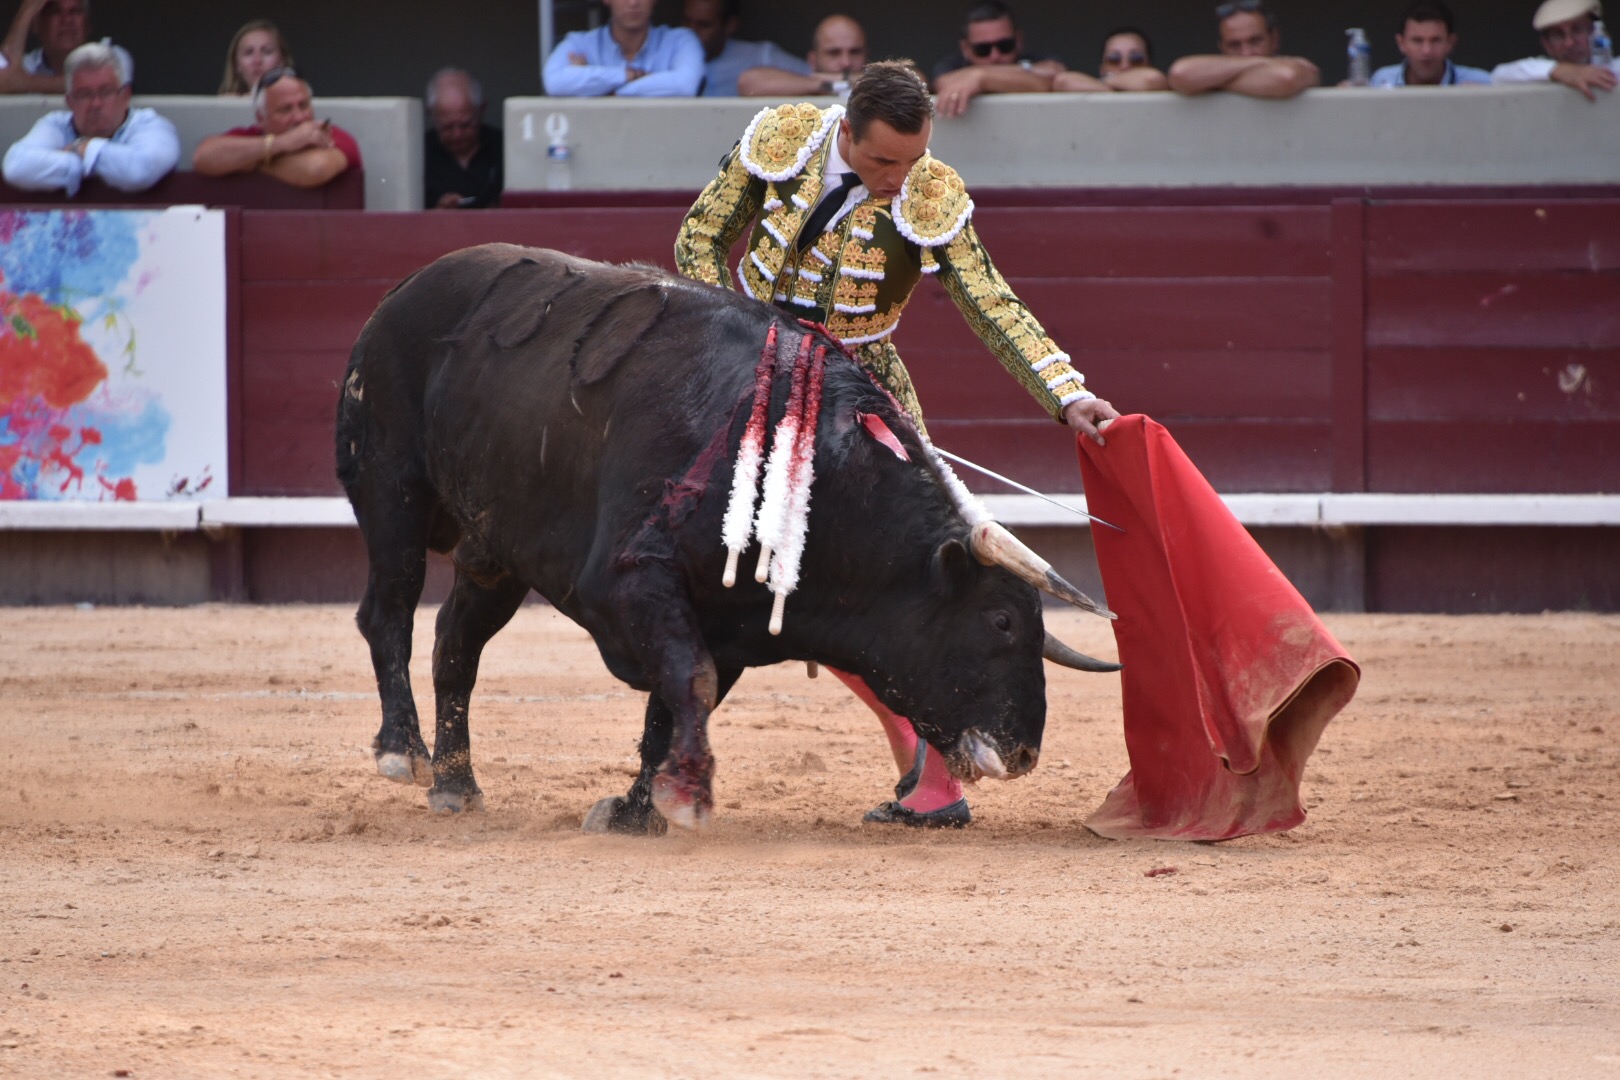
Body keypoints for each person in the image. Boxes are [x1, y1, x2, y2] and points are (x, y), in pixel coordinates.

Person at [675, 61, 1120, 827]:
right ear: (844, 132)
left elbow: (990, 302)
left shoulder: (929, 188)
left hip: (861, 386)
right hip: (748, 371)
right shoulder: (782, 140)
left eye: (911, 162)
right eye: (882, 162)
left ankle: (936, 783)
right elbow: (700, 239)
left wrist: (1067, 392)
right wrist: (734, 335)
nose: (898, 180)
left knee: (913, 579)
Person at [3, 40, 177, 195]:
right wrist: (90, 164)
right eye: (85, 94)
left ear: (125, 96)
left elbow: (140, 171)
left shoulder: (151, 125)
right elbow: (15, 166)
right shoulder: (57, 124)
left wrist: (83, 149)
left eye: (105, 92)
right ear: (70, 102)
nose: (95, 104)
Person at [192, 67, 361, 188]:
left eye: (303, 105)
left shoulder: (332, 135)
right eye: (285, 109)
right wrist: (283, 143)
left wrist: (253, 160)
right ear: (261, 118)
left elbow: (317, 169)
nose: (299, 117)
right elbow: (202, 157)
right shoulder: (252, 135)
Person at [543, 0, 703, 98]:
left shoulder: (681, 40)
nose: (633, 2)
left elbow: (686, 85)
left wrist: (606, 92)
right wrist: (628, 76)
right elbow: (554, 82)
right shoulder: (580, 43)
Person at [932, 1, 1064, 118]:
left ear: (1018, 40)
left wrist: (981, 77)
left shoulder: (1037, 58)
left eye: (1004, 46)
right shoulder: (951, 65)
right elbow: (943, 84)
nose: (995, 56)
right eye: (983, 49)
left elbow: (1051, 77)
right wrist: (1026, 72)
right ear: (966, 48)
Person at [1168, 0, 1320, 99]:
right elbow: (1180, 74)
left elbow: (1285, 78)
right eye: (1234, 45)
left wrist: (1208, 82)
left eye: (1255, 41)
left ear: (1274, 39)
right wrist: (1263, 62)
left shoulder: (1302, 67)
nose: (1246, 53)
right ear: (1222, 47)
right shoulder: (1284, 62)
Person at [1493, 0, 1618, 100]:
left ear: (1596, 32)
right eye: (1558, 35)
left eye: (1578, 29)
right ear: (1547, 45)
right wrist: (1559, 71)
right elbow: (1499, 75)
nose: (1569, 42)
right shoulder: (1542, 73)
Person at [683, 0, 807, 97]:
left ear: (730, 25)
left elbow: (815, 80)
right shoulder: (668, 52)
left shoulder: (760, 56)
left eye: (704, 25)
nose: (691, 31)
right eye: (687, 21)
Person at [0, 0, 128, 93]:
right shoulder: (28, 64)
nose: (67, 20)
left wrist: (23, 83)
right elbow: (3, 74)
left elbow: (112, 82)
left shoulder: (112, 56)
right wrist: (26, 12)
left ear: (87, 25)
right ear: (36, 25)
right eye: (55, 12)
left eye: (75, 11)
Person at [423, 67, 501, 209]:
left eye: (466, 125)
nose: (457, 134)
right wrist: (435, 216)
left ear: (481, 110)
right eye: (447, 127)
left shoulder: (504, 148)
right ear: (431, 115)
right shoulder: (417, 155)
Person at [736, 13, 866, 98]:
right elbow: (747, 83)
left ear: (867, 54)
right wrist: (830, 84)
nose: (846, 62)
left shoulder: (882, 86)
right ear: (813, 60)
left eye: (855, 52)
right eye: (834, 53)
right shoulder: (805, 81)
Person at [1370, 1, 1492, 86]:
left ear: (1451, 43)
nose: (1427, 51)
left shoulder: (1482, 82)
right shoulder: (1382, 80)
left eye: (1436, 40)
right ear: (1401, 43)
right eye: (1417, 41)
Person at [1053, 26, 1170, 92]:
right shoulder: (1102, 84)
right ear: (1102, 68)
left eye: (1136, 58)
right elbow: (1062, 81)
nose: (1125, 66)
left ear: (1149, 64)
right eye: (1114, 59)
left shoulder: (1154, 78)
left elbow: (1154, 80)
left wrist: (1107, 81)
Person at [219, 18, 293, 96]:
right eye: (249, 52)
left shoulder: (305, 104)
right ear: (236, 64)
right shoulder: (223, 104)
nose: (257, 61)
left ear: (282, 60)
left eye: (267, 52)